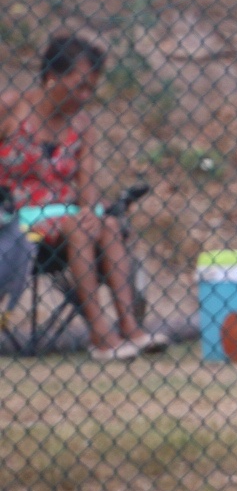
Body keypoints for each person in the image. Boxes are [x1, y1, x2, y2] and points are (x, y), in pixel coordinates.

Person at [0, 36, 160, 361]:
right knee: (80, 226)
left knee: (109, 225)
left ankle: (130, 327)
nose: (85, 96)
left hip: (68, 215)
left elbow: (86, 181)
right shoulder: (11, 108)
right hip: (17, 216)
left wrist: (90, 210)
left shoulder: (82, 124)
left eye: (91, 88)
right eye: (79, 86)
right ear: (51, 78)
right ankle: (100, 334)